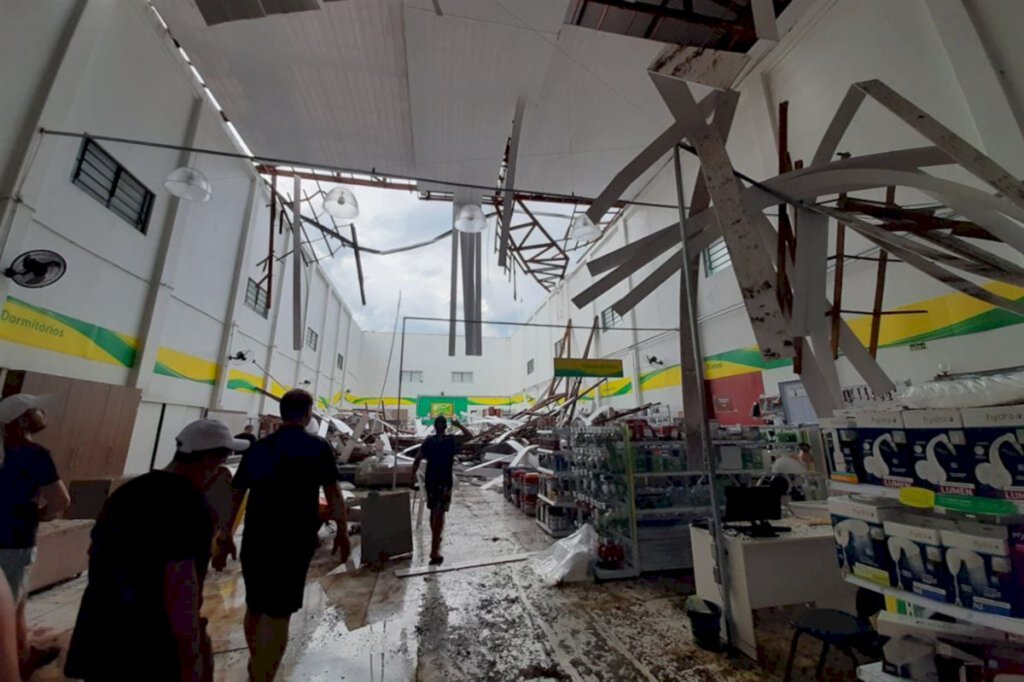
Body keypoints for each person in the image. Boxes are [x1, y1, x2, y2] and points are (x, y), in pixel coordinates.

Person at [64, 419, 249, 682]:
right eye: (223, 459)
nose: (222, 470)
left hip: (101, 631)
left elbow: (94, 551)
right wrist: (191, 655)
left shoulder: (128, 492)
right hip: (151, 644)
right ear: (209, 459)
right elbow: (181, 586)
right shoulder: (191, 506)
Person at [213, 389, 350, 682]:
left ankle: (257, 665)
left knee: (255, 604)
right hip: (294, 540)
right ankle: (262, 675)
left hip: (257, 537)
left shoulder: (259, 448)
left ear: (282, 412)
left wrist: (224, 535)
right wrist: (342, 529)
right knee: (279, 612)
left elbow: (235, 494)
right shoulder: (317, 447)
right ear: (308, 414)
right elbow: (333, 492)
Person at [0, 394, 70, 679]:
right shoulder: (35, 454)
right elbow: (60, 501)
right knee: (12, 611)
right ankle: (15, 666)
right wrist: (41, 515)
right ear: (23, 420)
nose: (43, 413)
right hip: (15, 541)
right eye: (36, 410)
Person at [411, 415, 472, 566]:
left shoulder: (428, 441)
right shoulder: (450, 440)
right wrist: (458, 425)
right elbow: (469, 436)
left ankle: (436, 540)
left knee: (434, 512)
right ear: (445, 427)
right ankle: (434, 550)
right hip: (444, 481)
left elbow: (417, 460)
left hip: (431, 481)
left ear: (434, 426)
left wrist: (411, 478)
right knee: (440, 513)